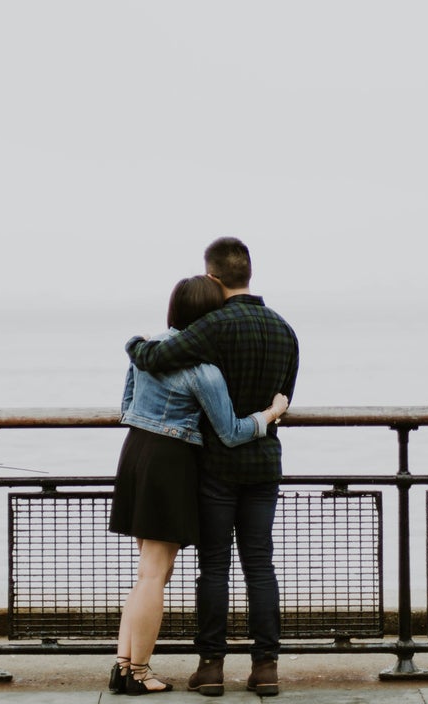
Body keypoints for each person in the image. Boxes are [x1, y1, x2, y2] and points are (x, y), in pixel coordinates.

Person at [125, 237, 298, 698]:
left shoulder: (211, 326)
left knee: (214, 567)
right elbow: (285, 397)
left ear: (213, 278)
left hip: (216, 466)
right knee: (260, 565)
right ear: (249, 273)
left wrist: (135, 345)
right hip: (264, 462)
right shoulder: (285, 330)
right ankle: (266, 669)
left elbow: (158, 357)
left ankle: (211, 667)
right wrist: (270, 414)